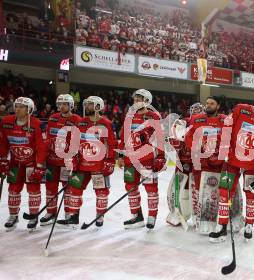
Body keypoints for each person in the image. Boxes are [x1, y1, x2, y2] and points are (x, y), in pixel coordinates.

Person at [209, 92, 254, 242]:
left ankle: (249, 225)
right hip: (231, 161)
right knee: (224, 191)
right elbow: (227, 127)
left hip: (252, 164)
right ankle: (222, 226)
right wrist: (225, 149)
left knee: (252, 194)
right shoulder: (241, 109)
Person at [57, 96, 117, 228]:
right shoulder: (82, 122)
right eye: (87, 104)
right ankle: (73, 216)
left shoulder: (106, 123)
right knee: (74, 189)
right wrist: (72, 156)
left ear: (98, 107)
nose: (87, 107)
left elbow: (112, 144)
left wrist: (110, 161)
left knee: (101, 192)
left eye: (90, 104)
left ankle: (99, 217)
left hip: (99, 166)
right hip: (82, 165)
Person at [118, 89, 166, 230]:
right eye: (135, 99)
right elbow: (123, 137)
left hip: (147, 159)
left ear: (147, 101)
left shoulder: (154, 116)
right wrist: (120, 156)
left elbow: (160, 138)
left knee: (151, 189)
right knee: (130, 188)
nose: (136, 101)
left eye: (139, 99)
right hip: (129, 160)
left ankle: (152, 217)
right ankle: (136, 216)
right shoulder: (129, 116)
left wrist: (161, 157)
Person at [0, 97, 46, 231]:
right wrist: (3, 160)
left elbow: (42, 148)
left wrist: (39, 166)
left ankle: (33, 215)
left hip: (32, 163)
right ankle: (13, 216)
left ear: (29, 109)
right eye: (17, 106)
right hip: (15, 163)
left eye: (22, 106)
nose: (18, 108)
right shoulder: (6, 121)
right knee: (13, 190)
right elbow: (3, 143)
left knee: (33, 191)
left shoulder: (37, 124)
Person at [184, 96, 229, 233]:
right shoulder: (196, 119)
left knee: (221, 193)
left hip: (220, 163)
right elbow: (189, 138)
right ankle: (201, 217)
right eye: (207, 103)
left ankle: (221, 218)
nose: (208, 105)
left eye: (212, 103)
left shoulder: (225, 120)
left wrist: (221, 155)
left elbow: (229, 138)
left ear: (218, 106)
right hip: (201, 162)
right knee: (200, 190)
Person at [40, 94, 81, 226]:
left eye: (65, 104)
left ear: (71, 106)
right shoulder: (53, 118)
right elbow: (48, 138)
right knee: (50, 187)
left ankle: (69, 214)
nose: (62, 106)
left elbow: (79, 141)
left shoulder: (76, 119)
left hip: (67, 161)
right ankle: (51, 212)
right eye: (60, 104)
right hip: (52, 160)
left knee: (68, 188)